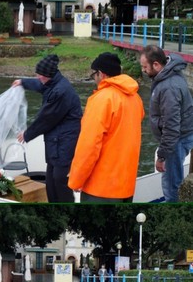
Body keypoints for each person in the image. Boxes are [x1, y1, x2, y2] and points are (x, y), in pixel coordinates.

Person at [68, 52, 145, 202]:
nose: (94, 79)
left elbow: (89, 146)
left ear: (101, 74)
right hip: (126, 185)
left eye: (93, 75)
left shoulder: (102, 99)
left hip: (101, 188)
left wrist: (76, 180)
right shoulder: (135, 98)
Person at [13, 54, 83, 203]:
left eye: (40, 75)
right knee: (51, 179)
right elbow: (39, 85)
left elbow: (46, 118)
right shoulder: (52, 82)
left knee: (60, 180)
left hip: (65, 140)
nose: (38, 78)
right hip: (56, 140)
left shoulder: (61, 91)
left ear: (48, 75)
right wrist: (22, 82)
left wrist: (27, 134)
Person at [139, 45, 193, 202]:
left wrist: (162, 156)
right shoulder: (169, 74)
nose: (143, 70)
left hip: (177, 139)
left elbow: (171, 126)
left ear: (156, 64)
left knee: (170, 185)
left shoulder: (168, 87)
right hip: (182, 134)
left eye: (145, 67)